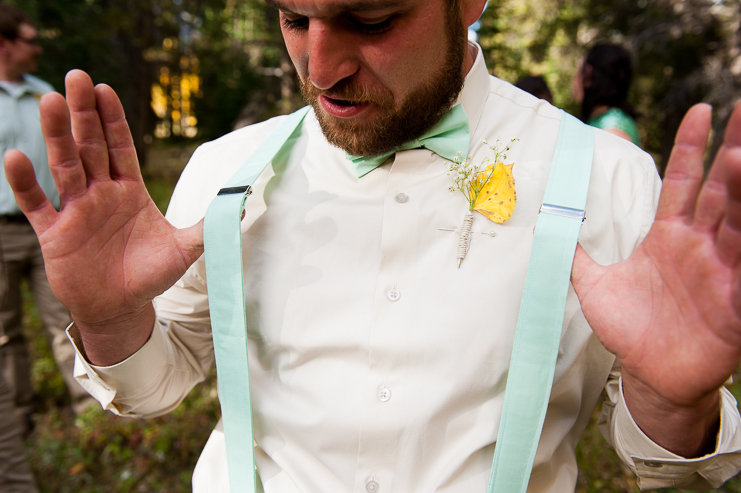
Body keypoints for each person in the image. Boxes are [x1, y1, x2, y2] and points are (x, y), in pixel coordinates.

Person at [4, 0, 741, 491]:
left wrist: (671, 400)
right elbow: (158, 384)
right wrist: (107, 320)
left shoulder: (607, 179)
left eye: (370, 17)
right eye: (295, 17)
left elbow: (666, 465)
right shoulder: (226, 171)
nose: (320, 68)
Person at [0, 2, 92, 433]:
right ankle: (19, 412)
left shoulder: (44, 94)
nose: (38, 49)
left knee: (64, 321)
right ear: (4, 44)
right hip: (0, 231)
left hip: (48, 230)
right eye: (31, 41)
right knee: (5, 331)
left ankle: (88, 409)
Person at [572, 43, 641, 146]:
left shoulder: (612, 129)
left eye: (578, 72)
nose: (574, 80)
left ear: (589, 76)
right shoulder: (600, 119)